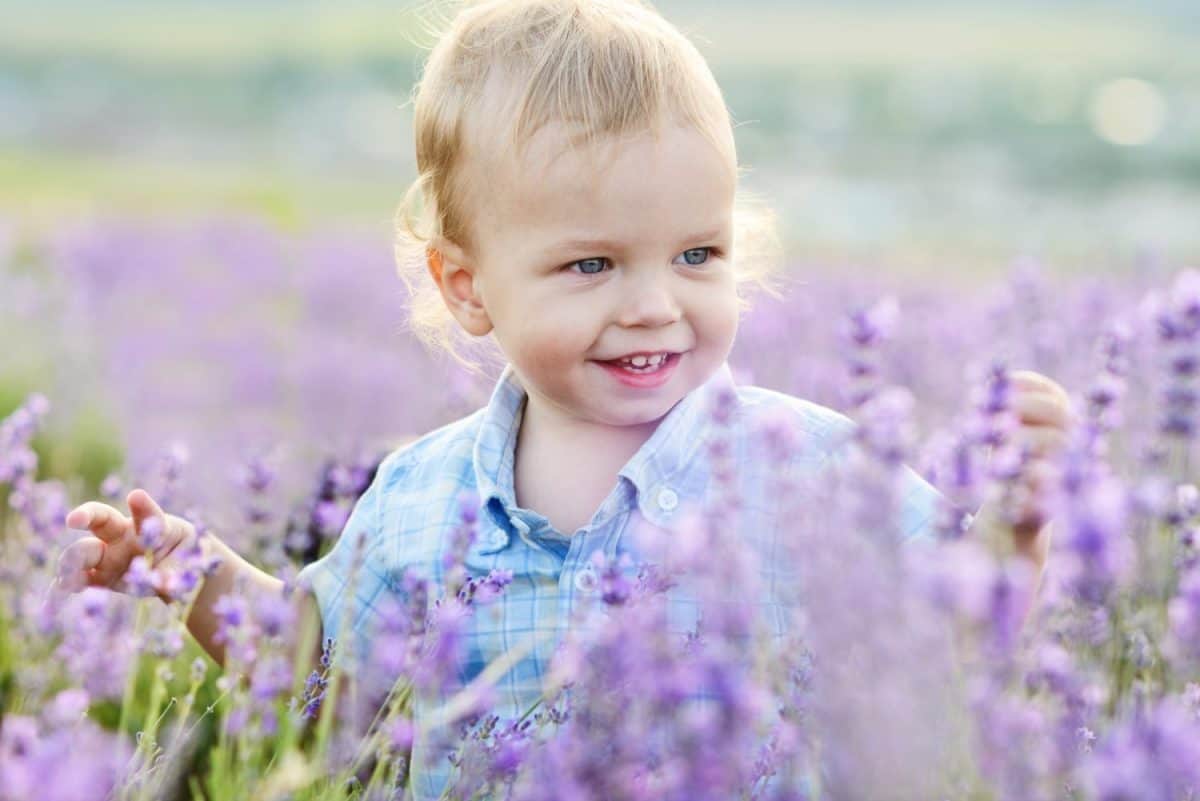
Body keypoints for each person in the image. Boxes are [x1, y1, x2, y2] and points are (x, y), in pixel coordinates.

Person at [54, 0, 1072, 797]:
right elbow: (324, 679)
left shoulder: (811, 471)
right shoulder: (419, 499)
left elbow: (954, 640)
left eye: (696, 254)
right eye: (591, 265)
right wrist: (193, 578)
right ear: (468, 284)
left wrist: (1017, 540)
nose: (653, 306)